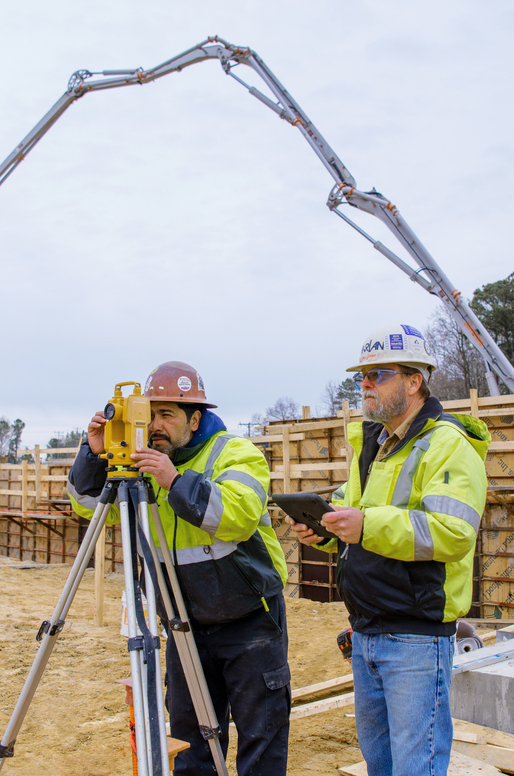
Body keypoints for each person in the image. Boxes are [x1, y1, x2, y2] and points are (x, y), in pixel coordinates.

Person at [67, 361, 290, 776]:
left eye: (167, 414)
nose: (155, 425)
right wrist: (94, 455)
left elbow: (238, 515)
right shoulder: (141, 464)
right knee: (192, 742)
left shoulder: (234, 452)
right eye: (149, 414)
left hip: (249, 621)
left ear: (195, 418)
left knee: (262, 737)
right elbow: (86, 506)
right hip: (183, 623)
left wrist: (174, 481)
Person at [286, 323, 490, 776]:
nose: (365, 384)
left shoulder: (448, 446)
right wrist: (326, 530)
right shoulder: (374, 448)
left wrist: (364, 526)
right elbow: (359, 514)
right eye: (363, 376)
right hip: (367, 631)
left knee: (415, 767)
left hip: (415, 637)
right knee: (381, 764)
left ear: (414, 381)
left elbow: (453, 533)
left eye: (378, 374)